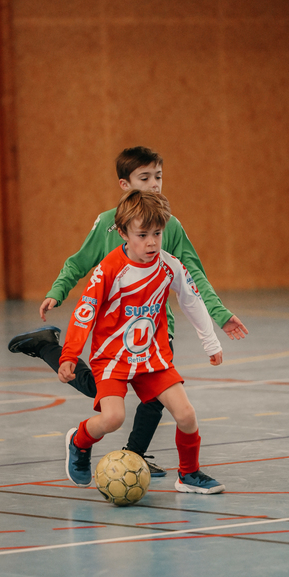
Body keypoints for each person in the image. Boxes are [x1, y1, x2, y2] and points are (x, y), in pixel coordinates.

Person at [8, 146, 247, 476]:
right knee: (105, 401)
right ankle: (51, 352)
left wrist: (218, 319)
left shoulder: (169, 229)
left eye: (158, 177)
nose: (154, 184)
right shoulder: (109, 232)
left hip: (153, 332)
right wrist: (58, 292)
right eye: (144, 178)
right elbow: (81, 274)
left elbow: (192, 279)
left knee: (162, 401)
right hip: (112, 339)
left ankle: (137, 457)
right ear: (125, 185)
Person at [59, 189, 225, 495]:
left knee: (186, 415)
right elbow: (85, 312)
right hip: (112, 358)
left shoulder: (169, 265)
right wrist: (70, 353)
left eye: (157, 234)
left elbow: (191, 300)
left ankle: (188, 475)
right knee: (112, 418)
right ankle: (78, 441)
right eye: (142, 235)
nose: (151, 242)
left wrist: (210, 342)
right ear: (123, 233)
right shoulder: (109, 270)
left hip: (152, 357)